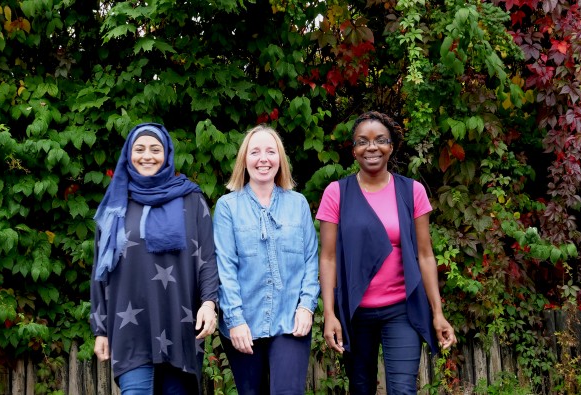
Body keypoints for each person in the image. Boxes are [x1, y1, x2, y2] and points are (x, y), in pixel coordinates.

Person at [316, 111, 457, 395]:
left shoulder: (412, 191)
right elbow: (328, 258)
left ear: (391, 147)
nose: (371, 147)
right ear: (353, 150)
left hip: (401, 309)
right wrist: (329, 314)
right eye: (362, 141)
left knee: (403, 390)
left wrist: (437, 312)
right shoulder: (337, 193)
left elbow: (426, 255)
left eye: (380, 140)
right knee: (361, 388)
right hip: (356, 312)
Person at [89, 122, 219, 394]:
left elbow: (207, 257)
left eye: (155, 149)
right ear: (128, 154)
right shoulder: (114, 204)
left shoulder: (191, 199)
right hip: (130, 330)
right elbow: (100, 272)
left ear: (167, 154)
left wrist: (209, 303)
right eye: (139, 149)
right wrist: (100, 329)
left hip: (180, 325)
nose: (147, 156)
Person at [213, 124, 319, 395]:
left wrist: (306, 307)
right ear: (244, 160)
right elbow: (225, 268)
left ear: (280, 159)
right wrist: (235, 319)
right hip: (244, 323)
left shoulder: (298, 204)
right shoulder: (228, 208)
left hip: (291, 320)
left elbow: (310, 261)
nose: (263, 159)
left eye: (271, 151)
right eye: (255, 152)